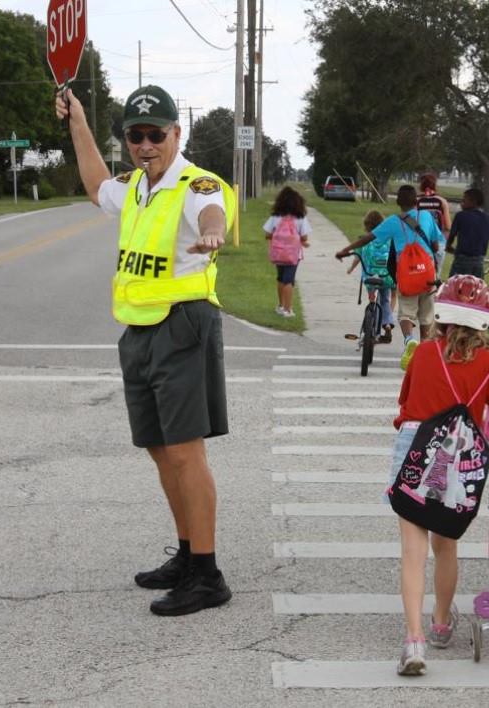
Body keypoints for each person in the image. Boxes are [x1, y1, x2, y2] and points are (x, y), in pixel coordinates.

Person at [55, 84, 236, 616]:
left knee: (185, 451)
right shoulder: (135, 187)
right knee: (160, 451)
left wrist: (213, 234)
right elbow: (94, 185)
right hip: (138, 329)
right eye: (135, 135)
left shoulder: (194, 182)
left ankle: (208, 574)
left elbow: (212, 213)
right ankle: (186, 554)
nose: (144, 144)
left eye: (155, 134)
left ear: (176, 134)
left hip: (183, 324)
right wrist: (79, 122)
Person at [386, 275, 489, 676]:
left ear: (440, 315)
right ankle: (441, 623)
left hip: (415, 449)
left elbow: (405, 408)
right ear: (485, 321)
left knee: (412, 551)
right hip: (457, 461)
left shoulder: (423, 354)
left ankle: (414, 640)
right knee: (446, 545)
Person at [335, 185, 444, 371]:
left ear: (398, 203)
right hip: (427, 274)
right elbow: (435, 246)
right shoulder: (427, 217)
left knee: (405, 313)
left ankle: (410, 340)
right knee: (426, 316)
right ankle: (425, 350)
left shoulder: (393, 221)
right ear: (416, 201)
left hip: (407, 273)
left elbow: (368, 238)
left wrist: (346, 250)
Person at [345, 210, 395, 343]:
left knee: (373, 300)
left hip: (370, 278)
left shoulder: (364, 240)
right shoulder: (389, 240)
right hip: (387, 277)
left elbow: (357, 257)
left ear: (367, 226)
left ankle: (373, 325)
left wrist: (350, 268)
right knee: (385, 300)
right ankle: (388, 324)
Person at [263, 186, 311, 318]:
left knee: (280, 278)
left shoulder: (276, 216)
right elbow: (304, 236)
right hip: (293, 255)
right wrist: (301, 240)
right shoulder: (300, 217)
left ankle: (280, 305)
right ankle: (288, 309)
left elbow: (267, 233)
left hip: (278, 253)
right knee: (289, 280)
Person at [445, 187, 489, 278]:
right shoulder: (488, 219)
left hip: (461, 260)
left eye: (464, 201)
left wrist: (448, 246)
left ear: (473, 202)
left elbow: (452, 235)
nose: (461, 204)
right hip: (479, 261)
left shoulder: (460, 216)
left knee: (455, 286)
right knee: (476, 287)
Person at [416, 171, 451, 277]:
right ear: (435, 185)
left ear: (421, 186)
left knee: (419, 272)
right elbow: (448, 226)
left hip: (420, 243)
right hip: (439, 242)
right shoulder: (442, 202)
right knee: (435, 274)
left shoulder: (417, 201)